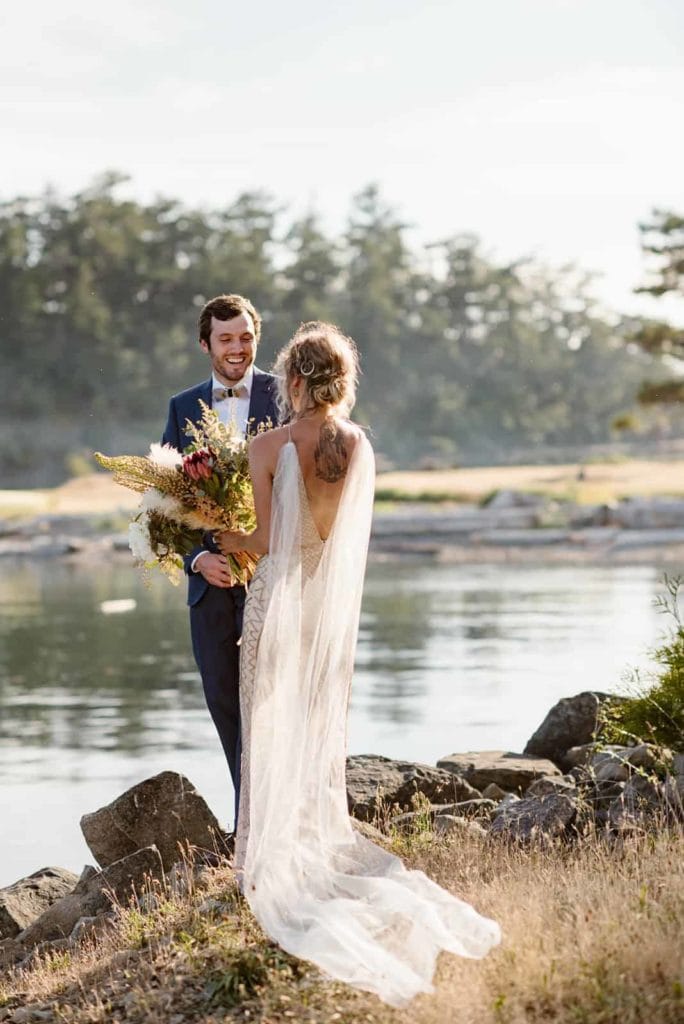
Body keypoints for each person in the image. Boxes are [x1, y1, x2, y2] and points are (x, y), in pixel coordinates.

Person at [216, 321, 501, 1007]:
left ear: (292, 380)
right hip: (326, 614)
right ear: (342, 381)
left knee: (267, 727)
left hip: (277, 605)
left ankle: (260, 858)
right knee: (313, 727)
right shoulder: (359, 447)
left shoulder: (268, 446)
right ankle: (308, 840)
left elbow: (261, 540)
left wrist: (216, 533)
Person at [162, 294, 278, 832]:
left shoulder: (288, 396)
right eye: (226, 338)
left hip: (275, 583)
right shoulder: (182, 407)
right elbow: (163, 509)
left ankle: (273, 823)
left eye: (246, 337)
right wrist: (198, 559)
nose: (237, 348)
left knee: (274, 704)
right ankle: (249, 825)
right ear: (205, 343)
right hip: (210, 589)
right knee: (223, 704)